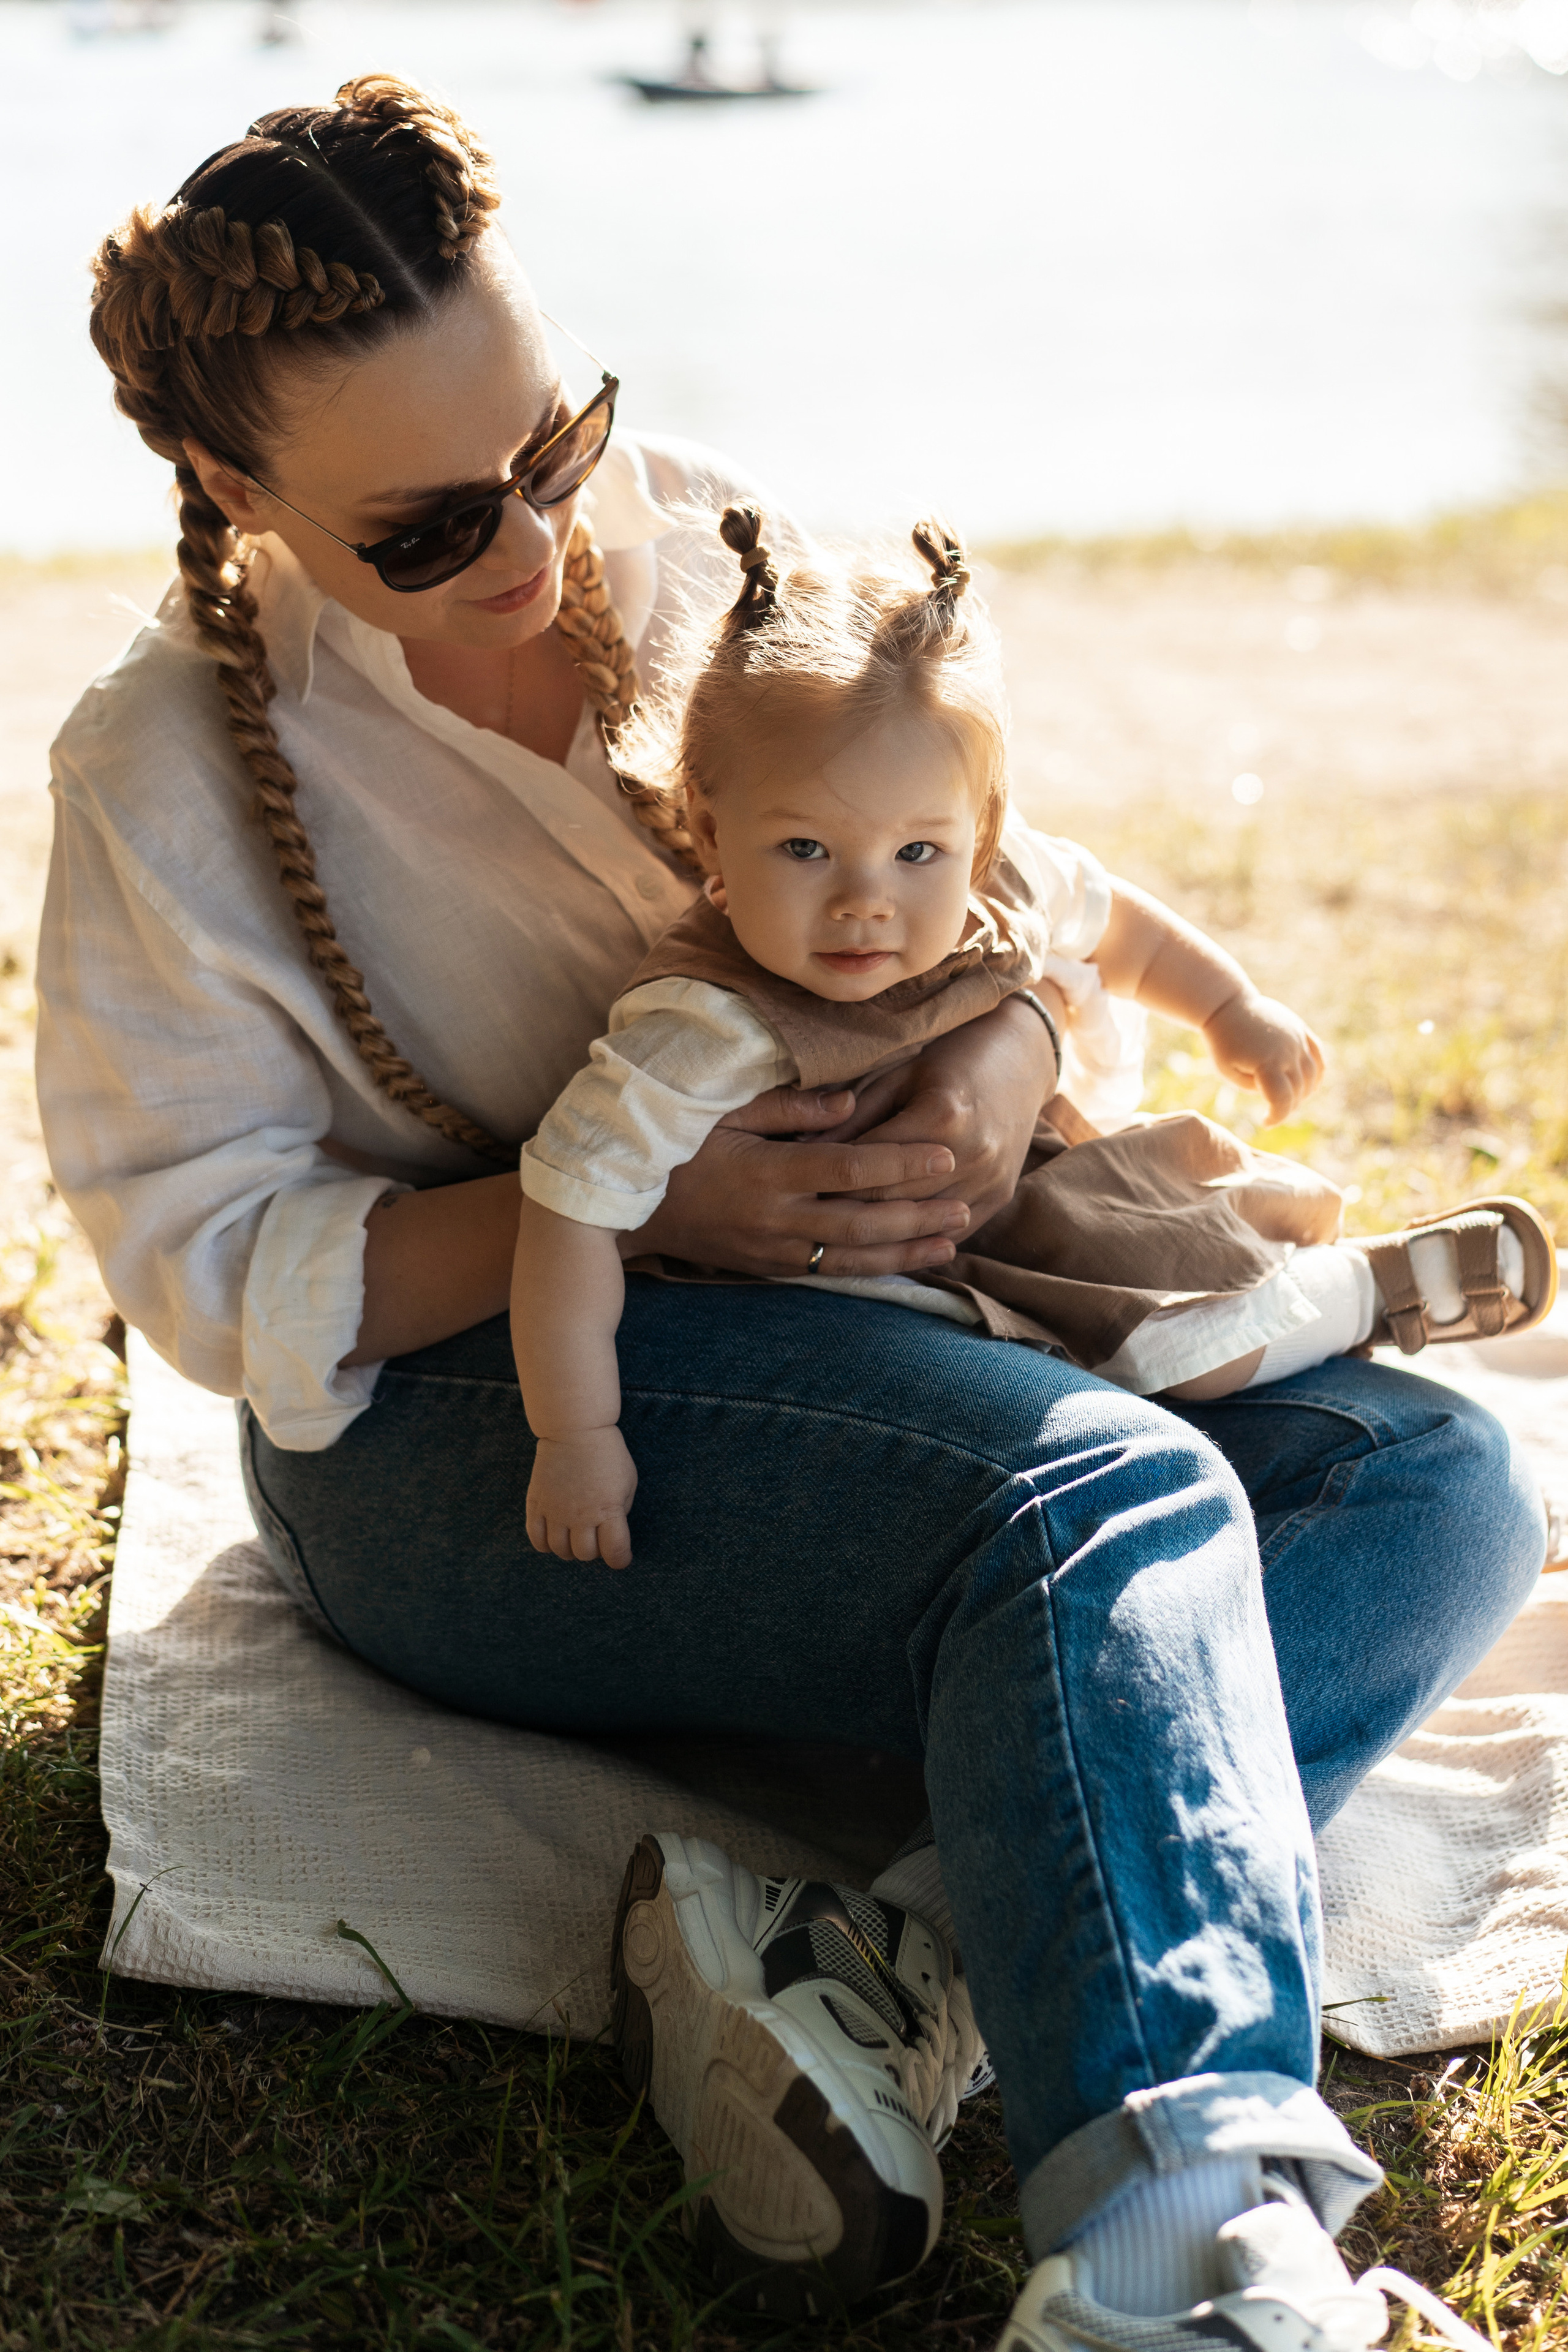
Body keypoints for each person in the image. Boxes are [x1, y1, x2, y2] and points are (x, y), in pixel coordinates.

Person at [38, 75, 1540, 2351]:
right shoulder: (158, 773)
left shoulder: (710, 541)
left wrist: (1010, 1055)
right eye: (435, 528)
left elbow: (971, 863)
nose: (543, 550)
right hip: (480, 1439)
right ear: (237, 495)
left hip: (915, 1345)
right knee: (1102, 1495)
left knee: (1427, 1477)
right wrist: (646, 1221)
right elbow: (211, 1270)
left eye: (551, 448)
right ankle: (1184, 2248)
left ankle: (891, 1971)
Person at [511, 500, 1555, 1567]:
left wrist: (1232, 1008)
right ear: (710, 827)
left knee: (1190, 1351)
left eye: (918, 852)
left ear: (983, 829)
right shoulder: (703, 1024)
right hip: (872, 1309)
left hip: (1042, 1217)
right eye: (806, 849)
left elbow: (1120, 923)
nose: (866, 901)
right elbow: (567, 1214)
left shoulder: (997, 883)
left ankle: (1364, 1290)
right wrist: (576, 1434)